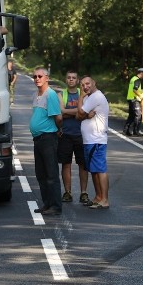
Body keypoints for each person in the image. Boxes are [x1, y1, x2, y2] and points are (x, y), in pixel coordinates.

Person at [29, 67, 63, 215]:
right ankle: (47, 204)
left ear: (47, 78)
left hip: (48, 138)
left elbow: (59, 118)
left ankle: (55, 206)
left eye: (40, 76)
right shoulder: (36, 94)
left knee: (51, 174)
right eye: (35, 76)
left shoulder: (51, 95)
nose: (37, 78)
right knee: (41, 174)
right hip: (38, 139)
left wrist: (57, 130)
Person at [77, 75, 110, 209]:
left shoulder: (96, 96)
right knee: (94, 170)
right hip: (89, 140)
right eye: (83, 85)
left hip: (96, 139)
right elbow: (78, 116)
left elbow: (79, 111)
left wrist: (80, 97)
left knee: (100, 170)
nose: (85, 87)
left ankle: (105, 199)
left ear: (94, 83)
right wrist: (84, 114)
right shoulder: (88, 97)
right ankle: (98, 197)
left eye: (87, 84)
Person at [58, 71, 90, 204]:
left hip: (82, 134)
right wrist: (79, 112)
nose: (71, 80)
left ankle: (83, 193)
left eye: (74, 78)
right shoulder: (61, 94)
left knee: (83, 165)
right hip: (65, 134)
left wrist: (66, 111)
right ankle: (67, 192)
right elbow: (60, 113)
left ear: (77, 81)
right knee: (66, 164)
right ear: (66, 80)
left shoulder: (84, 94)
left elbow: (86, 113)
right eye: (69, 78)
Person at [123, 67, 143, 136]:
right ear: (141, 73)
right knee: (138, 115)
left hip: (130, 98)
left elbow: (136, 89)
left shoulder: (133, 78)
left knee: (131, 116)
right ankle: (136, 131)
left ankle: (126, 130)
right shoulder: (137, 80)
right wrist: (141, 96)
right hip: (134, 99)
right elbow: (134, 90)